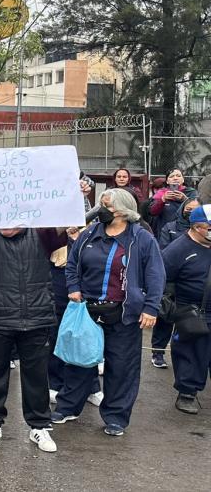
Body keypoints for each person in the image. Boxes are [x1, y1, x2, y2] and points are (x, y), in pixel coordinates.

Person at [0, 184, 69, 453]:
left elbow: (67, 220)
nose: (6, 223)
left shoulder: (42, 235)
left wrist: (75, 194)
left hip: (37, 316)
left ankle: (39, 427)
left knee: (36, 375)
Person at [54, 187, 164, 437]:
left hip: (124, 313)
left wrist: (151, 307)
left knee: (122, 366)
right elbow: (72, 263)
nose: (102, 210)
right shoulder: (91, 233)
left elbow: (156, 275)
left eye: (108, 206)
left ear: (124, 211)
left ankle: (115, 417)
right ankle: (68, 407)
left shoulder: (142, 238)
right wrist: (74, 287)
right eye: (102, 204)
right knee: (78, 361)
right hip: (88, 311)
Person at [163, 204, 211, 415]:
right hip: (191, 312)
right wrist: (171, 307)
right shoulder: (177, 249)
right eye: (208, 227)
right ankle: (187, 392)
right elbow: (160, 278)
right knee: (190, 353)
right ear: (195, 226)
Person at [152, 197, 202, 369]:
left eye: (196, 210)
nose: (191, 213)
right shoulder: (170, 227)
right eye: (189, 209)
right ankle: (157, 351)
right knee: (165, 321)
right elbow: (163, 251)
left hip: (193, 293)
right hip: (172, 285)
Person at [149, 168, 197, 233]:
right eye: (171, 176)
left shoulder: (191, 192)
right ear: (167, 181)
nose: (175, 178)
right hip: (164, 230)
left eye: (178, 176)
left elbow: (197, 211)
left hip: (186, 230)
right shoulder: (161, 193)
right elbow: (152, 212)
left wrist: (185, 200)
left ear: (183, 179)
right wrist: (162, 200)